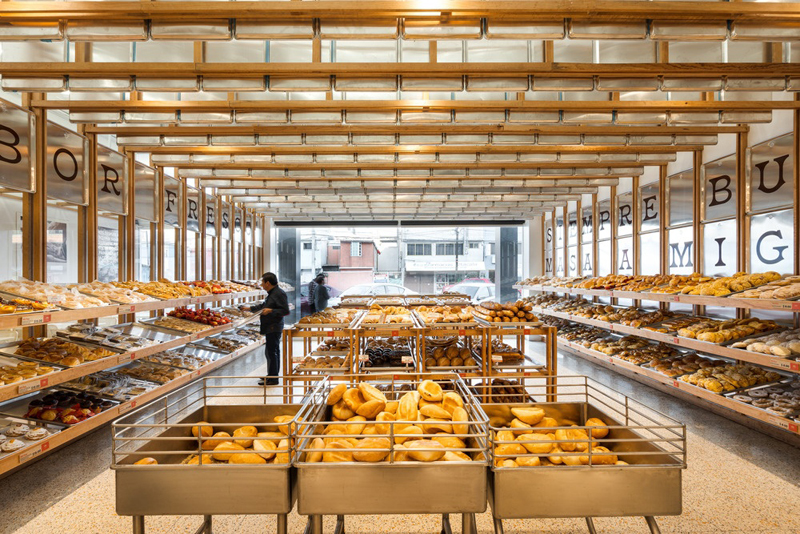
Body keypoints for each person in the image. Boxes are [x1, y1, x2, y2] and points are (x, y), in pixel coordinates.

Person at [242, 272, 289, 386]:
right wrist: (249, 308)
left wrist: (271, 311)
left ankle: (273, 379)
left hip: (274, 326)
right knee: (270, 352)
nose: (261, 284)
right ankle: (271, 375)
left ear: (268, 283)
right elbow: (264, 306)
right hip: (271, 326)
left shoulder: (279, 293)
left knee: (272, 352)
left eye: (263, 282)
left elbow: (285, 311)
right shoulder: (272, 293)